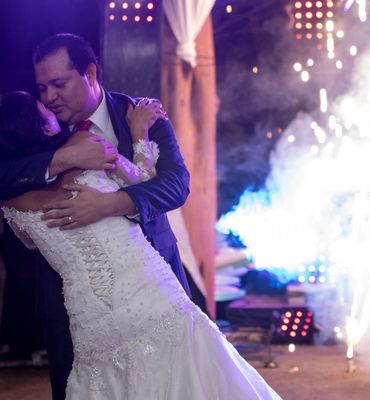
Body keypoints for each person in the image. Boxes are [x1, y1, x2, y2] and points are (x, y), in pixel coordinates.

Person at [0, 91, 283, 399]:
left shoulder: (13, 207)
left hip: (91, 314)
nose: (51, 100)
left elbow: (30, 242)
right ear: (45, 128)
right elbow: (144, 179)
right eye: (44, 104)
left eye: (56, 85)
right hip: (146, 289)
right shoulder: (88, 153)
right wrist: (139, 131)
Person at [0, 33, 192, 400]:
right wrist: (64, 159)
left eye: (59, 84)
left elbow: (176, 185)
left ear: (90, 73)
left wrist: (112, 203)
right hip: (73, 310)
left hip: (151, 290)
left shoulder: (141, 114)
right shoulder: (42, 134)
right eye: (42, 89)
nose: (49, 97)